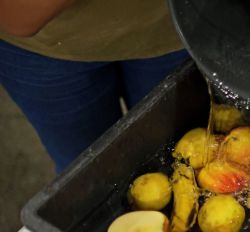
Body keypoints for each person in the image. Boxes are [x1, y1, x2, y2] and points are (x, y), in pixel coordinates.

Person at [0, 0, 190, 172]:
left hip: (175, 20)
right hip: (43, 50)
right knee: (86, 173)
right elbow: (18, 15)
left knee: (176, 160)